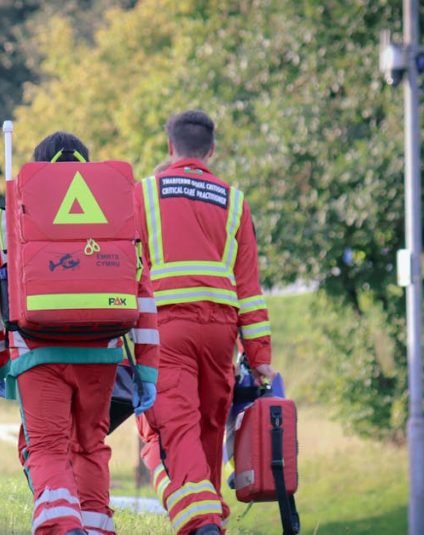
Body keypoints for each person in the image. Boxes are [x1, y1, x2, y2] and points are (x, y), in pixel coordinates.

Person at [0, 131, 159, 535]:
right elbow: (143, 299)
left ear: (37, 170)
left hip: (37, 355)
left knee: (48, 448)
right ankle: (95, 528)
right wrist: (146, 373)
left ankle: (62, 526)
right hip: (102, 354)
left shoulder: (4, 224)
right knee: (91, 446)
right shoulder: (118, 221)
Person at [135, 110, 277, 535]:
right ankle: (208, 516)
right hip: (221, 335)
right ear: (211, 151)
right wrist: (261, 357)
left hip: (166, 329)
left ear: (169, 147)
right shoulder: (235, 201)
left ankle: (201, 521)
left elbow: (125, 266)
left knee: (172, 427)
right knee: (210, 428)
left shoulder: (142, 194)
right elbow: (249, 289)